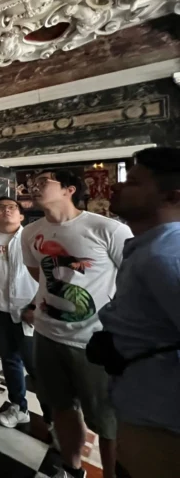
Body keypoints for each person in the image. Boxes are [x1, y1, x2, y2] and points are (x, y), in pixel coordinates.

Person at [22, 169, 132, 478]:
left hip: (93, 341)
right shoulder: (31, 233)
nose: (35, 186)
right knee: (60, 407)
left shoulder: (108, 229)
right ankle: (72, 468)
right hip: (47, 335)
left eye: (44, 182)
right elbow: (39, 275)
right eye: (35, 182)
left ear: (69, 189)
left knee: (107, 421)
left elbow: (131, 280)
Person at [97, 148, 180, 478]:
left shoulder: (167, 256)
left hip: (163, 432)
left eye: (132, 182)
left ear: (172, 196)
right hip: (144, 415)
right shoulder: (149, 247)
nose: (116, 186)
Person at [0, 197, 42, 428]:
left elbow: (46, 275)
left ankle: (55, 419)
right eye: (0, 208)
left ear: (22, 215)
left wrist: (36, 306)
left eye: (12, 207)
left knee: (36, 367)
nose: (6, 210)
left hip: (27, 311)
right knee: (10, 360)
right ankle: (19, 407)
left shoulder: (32, 238)